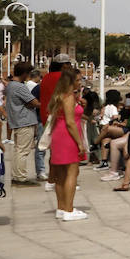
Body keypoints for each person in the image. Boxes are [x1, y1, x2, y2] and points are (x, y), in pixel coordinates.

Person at [46, 69, 90, 221]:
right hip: (68, 136)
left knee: (60, 175)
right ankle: (69, 209)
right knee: (72, 172)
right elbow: (71, 122)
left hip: (58, 135)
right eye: (78, 80)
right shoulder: (69, 97)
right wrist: (80, 143)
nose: (80, 82)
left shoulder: (59, 96)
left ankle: (61, 207)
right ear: (71, 81)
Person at [35, 53, 74, 184]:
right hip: (59, 117)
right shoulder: (63, 78)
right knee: (62, 152)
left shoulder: (46, 78)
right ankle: (61, 179)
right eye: (69, 64)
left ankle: (51, 178)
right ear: (64, 65)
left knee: (51, 150)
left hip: (45, 116)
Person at [4, 63, 40, 185]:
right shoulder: (20, 87)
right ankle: (21, 177)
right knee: (23, 151)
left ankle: (17, 175)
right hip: (25, 121)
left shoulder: (10, 85)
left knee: (18, 150)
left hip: (17, 121)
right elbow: (35, 102)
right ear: (24, 73)